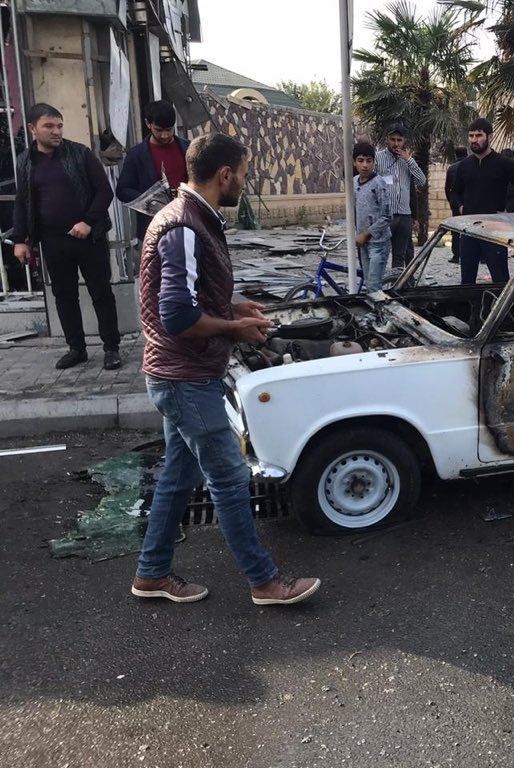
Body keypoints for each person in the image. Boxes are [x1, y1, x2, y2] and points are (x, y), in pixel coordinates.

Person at [133, 132, 320, 605]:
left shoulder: (192, 218)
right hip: (184, 377)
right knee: (231, 479)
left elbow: (192, 295)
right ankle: (265, 582)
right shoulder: (183, 228)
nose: (245, 179)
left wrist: (234, 306)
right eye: (243, 172)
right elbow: (177, 315)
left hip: (181, 373)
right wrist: (234, 329)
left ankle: (151, 573)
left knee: (179, 476)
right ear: (224, 175)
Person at [11, 103, 121, 370]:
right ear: (33, 128)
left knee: (101, 292)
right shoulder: (25, 161)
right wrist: (20, 239)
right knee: (64, 296)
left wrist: (87, 221)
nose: (56, 131)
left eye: (59, 125)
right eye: (49, 126)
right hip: (52, 240)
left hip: (88, 238)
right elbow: (22, 201)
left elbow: (104, 192)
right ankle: (76, 348)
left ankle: (111, 348)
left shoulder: (79, 154)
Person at [450, 118, 514, 284]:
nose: (474, 140)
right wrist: (460, 207)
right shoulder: (464, 165)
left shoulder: (504, 163)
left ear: (490, 136)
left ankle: (502, 309)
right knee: (467, 280)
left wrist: (510, 212)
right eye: (471, 136)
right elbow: (454, 192)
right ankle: (470, 309)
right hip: (469, 230)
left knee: (500, 278)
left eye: (479, 135)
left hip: (495, 231)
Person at [116, 100, 190, 243]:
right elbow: (123, 190)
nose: (164, 135)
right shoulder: (136, 155)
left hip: (187, 225)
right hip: (153, 230)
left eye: (169, 130)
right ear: (147, 123)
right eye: (159, 130)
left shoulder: (188, 149)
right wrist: (152, 201)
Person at [375, 124, 426, 269]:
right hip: (385, 215)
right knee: (381, 253)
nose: (396, 143)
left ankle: (397, 285)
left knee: (400, 255)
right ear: (387, 139)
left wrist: (409, 160)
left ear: (404, 141)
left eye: (399, 140)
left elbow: (421, 181)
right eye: (393, 139)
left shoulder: (408, 161)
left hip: (404, 216)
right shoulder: (377, 158)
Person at [352, 142, 392, 293]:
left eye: (369, 161)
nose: (365, 165)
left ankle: (381, 315)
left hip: (378, 243)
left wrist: (365, 234)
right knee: (367, 283)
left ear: (374, 162)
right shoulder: (354, 182)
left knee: (373, 287)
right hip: (363, 243)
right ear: (354, 162)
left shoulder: (378, 183)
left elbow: (387, 216)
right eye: (361, 160)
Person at [443, 145, 468, 264]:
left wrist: (451, 201)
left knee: (456, 231)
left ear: (455, 155)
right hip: (469, 202)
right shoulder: (470, 166)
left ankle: (456, 255)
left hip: (456, 204)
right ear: (466, 154)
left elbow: (447, 188)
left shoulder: (451, 168)